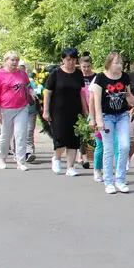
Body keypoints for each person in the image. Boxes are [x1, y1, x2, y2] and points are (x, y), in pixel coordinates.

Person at [89, 52, 134, 194]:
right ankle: (108, 182)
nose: (120, 65)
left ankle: (120, 180)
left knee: (124, 146)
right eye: (117, 62)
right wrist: (97, 120)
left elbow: (128, 95)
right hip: (106, 117)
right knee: (109, 148)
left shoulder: (124, 77)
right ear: (109, 63)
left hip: (122, 115)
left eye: (121, 62)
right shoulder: (100, 78)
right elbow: (96, 100)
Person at [43, 48, 88, 176]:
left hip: (75, 110)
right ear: (63, 59)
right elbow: (47, 92)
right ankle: (56, 158)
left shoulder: (78, 74)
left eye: (73, 59)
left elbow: (82, 93)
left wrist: (85, 109)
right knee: (61, 137)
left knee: (74, 139)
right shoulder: (56, 73)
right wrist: (46, 110)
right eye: (68, 59)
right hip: (58, 111)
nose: (71, 62)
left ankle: (70, 167)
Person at [0, 51, 33, 171]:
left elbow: (28, 85)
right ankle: (2, 158)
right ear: (6, 61)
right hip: (5, 109)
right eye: (12, 60)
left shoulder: (22, 73)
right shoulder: (0, 74)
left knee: (21, 134)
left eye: (16, 60)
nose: (15, 62)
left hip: (22, 107)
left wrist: (31, 92)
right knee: (6, 135)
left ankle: (20, 161)